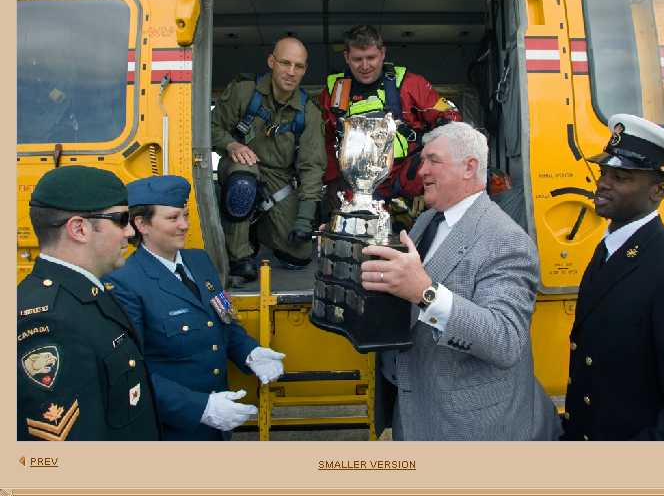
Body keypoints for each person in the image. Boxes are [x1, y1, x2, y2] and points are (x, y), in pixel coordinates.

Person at [360, 122, 558, 441]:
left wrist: (426, 294)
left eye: (432, 161)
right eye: (422, 161)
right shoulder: (427, 219)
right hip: (418, 413)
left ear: (470, 167)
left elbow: (505, 340)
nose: (421, 170)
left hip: (472, 431)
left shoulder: (507, 240)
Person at [562, 114, 664, 441]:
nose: (603, 183)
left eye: (621, 177)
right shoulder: (611, 250)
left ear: (659, 190)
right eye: (604, 172)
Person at [104, 175, 286, 441]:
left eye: (186, 215)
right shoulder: (124, 283)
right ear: (142, 224)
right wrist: (202, 408)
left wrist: (251, 352)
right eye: (173, 218)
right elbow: (131, 373)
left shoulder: (199, 261)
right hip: (172, 429)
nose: (184, 225)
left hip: (217, 424)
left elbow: (225, 319)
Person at [17, 166, 160, 441]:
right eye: (121, 219)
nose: (130, 232)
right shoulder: (49, 324)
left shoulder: (84, 293)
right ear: (80, 229)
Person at [320, 24, 462, 229]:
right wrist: (333, 180)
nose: (365, 65)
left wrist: (437, 147)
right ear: (346, 57)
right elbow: (326, 139)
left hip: (408, 173)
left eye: (371, 58)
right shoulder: (334, 92)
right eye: (358, 59)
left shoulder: (409, 84)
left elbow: (450, 117)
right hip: (359, 182)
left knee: (442, 186)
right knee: (351, 226)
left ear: (382, 53)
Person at [211, 36, 326, 282]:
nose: (291, 72)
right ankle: (239, 257)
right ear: (271, 62)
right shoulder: (244, 92)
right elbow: (210, 127)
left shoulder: (309, 112)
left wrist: (305, 220)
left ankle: (253, 229)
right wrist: (230, 144)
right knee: (244, 181)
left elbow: (312, 167)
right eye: (285, 63)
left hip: (279, 179)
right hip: (239, 165)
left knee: (299, 255)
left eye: (299, 66)